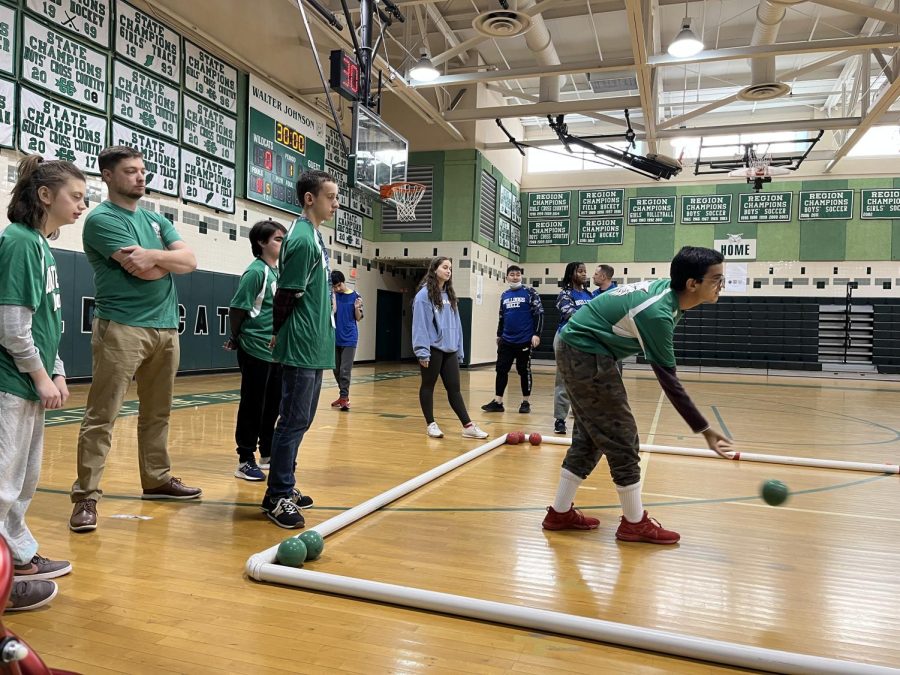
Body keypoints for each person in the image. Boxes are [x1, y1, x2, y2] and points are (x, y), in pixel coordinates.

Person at [542, 246, 733, 544]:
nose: (722, 285)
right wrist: (705, 429)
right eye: (717, 279)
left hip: (585, 348)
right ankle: (634, 522)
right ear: (692, 284)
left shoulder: (670, 297)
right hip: (584, 350)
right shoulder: (657, 313)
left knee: (591, 436)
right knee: (622, 435)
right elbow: (669, 382)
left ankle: (559, 512)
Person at [70, 146, 201, 533]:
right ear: (108, 176)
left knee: (158, 412)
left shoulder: (156, 220)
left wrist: (154, 256)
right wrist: (166, 261)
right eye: (130, 171)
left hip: (165, 327)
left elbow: (191, 262)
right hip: (122, 326)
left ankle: (157, 479)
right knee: (102, 415)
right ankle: (86, 497)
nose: (141, 177)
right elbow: (143, 272)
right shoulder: (101, 219)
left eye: (142, 170)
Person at [0, 156, 85, 611]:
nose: (82, 206)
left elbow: (46, 321)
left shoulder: (39, 244)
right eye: (76, 196)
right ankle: (2, 585)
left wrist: (54, 370)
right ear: (45, 195)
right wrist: (37, 372)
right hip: (8, 383)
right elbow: (12, 325)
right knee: (2, 484)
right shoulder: (17, 241)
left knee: (23, 481)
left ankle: (19, 557)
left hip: (27, 381)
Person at [261, 170, 337, 529]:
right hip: (301, 345)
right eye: (331, 197)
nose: (335, 204)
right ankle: (277, 495)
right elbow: (286, 293)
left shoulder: (314, 237)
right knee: (292, 421)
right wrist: (279, 331)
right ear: (310, 199)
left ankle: (283, 486)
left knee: (300, 420)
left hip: (315, 343)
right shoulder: (303, 239)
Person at [225, 220, 287, 481]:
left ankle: (267, 452)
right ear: (262, 243)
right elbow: (238, 308)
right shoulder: (255, 272)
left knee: (273, 404)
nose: (282, 244)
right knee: (253, 404)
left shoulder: (278, 272)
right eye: (277, 239)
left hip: (275, 351)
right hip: (255, 348)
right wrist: (237, 337)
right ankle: (244, 458)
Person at [413, 257, 488, 440]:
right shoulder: (424, 295)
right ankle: (431, 424)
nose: (448, 271)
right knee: (428, 386)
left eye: (450, 268)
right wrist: (422, 351)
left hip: (450, 349)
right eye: (445, 267)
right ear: (435, 269)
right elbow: (420, 325)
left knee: (454, 388)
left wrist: (459, 349)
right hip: (433, 348)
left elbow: (457, 325)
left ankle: (468, 426)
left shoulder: (450, 295)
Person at [481, 265, 543, 414]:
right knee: (501, 369)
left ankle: (525, 402)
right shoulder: (504, 295)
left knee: (523, 370)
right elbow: (502, 316)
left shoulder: (530, 292)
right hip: (507, 340)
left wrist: (537, 334)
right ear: (507, 277)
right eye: (512, 274)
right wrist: (499, 334)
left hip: (524, 339)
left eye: (517, 274)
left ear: (521, 277)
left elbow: (539, 314)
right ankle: (498, 401)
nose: (515, 277)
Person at [553, 262, 592, 434]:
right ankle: (560, 419)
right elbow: (571, 314)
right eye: (580, 271)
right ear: (571, 274)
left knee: (585, 381)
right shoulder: (565, 294)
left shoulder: (589, 294)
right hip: (566, 339)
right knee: (563, 380)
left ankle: (582, 416)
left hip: (585, 341)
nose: (584, 274)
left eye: (585, 271)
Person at [329, 270, 363, 411]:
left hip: (349, 338)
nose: (337, 288)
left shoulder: (356, 296)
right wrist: (334, 297)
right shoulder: (333, 296)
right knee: (336, 369)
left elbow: (359, 318)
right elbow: (333, 312)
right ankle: (343, 396)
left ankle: (344, 397)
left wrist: (356, 308)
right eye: (334, 287)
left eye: (339, 285)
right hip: (335, 337)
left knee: (344, 370)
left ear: (343, 281)